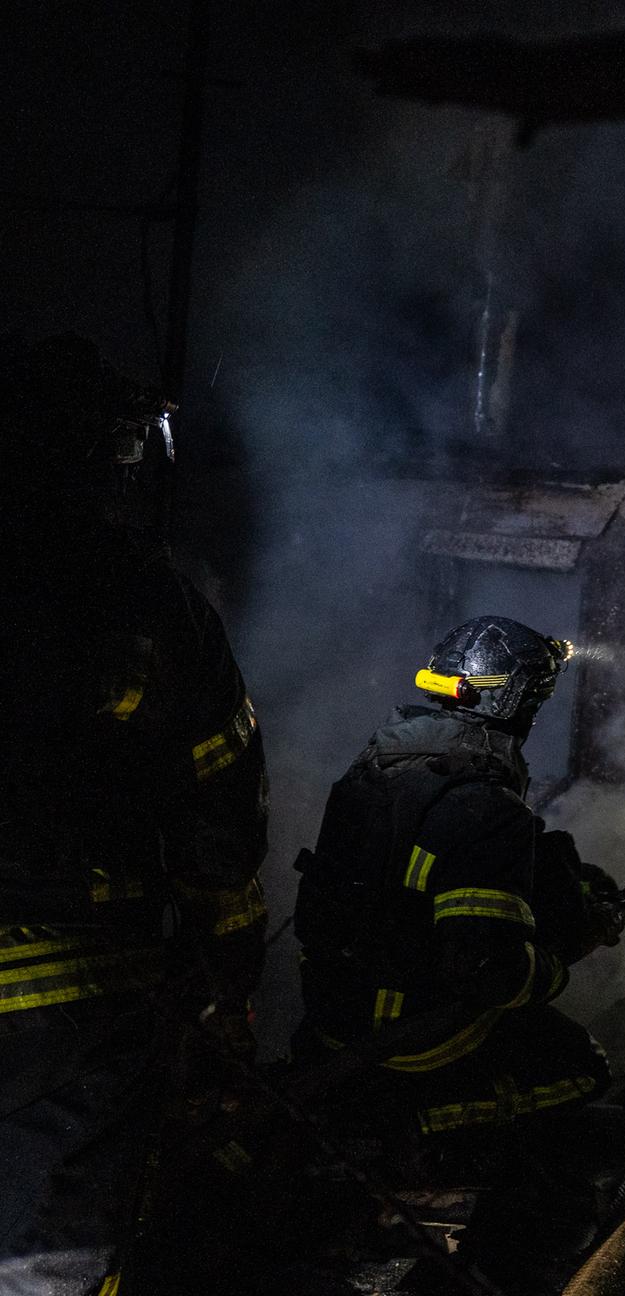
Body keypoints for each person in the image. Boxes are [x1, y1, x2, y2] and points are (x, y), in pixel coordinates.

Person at [0, 334, 269, 1294]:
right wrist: (228, 965)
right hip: (71, 996)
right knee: (49, 1259)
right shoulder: (144, 602)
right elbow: (219, 805)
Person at [292, 616, 622, 1295]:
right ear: (517, 705)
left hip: (332, 1021)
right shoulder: (483, 805)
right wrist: (560, 960)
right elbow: (489, 973)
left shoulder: (376, 769)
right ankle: (505, 1260)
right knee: (580, 1071)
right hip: (411, 1048)